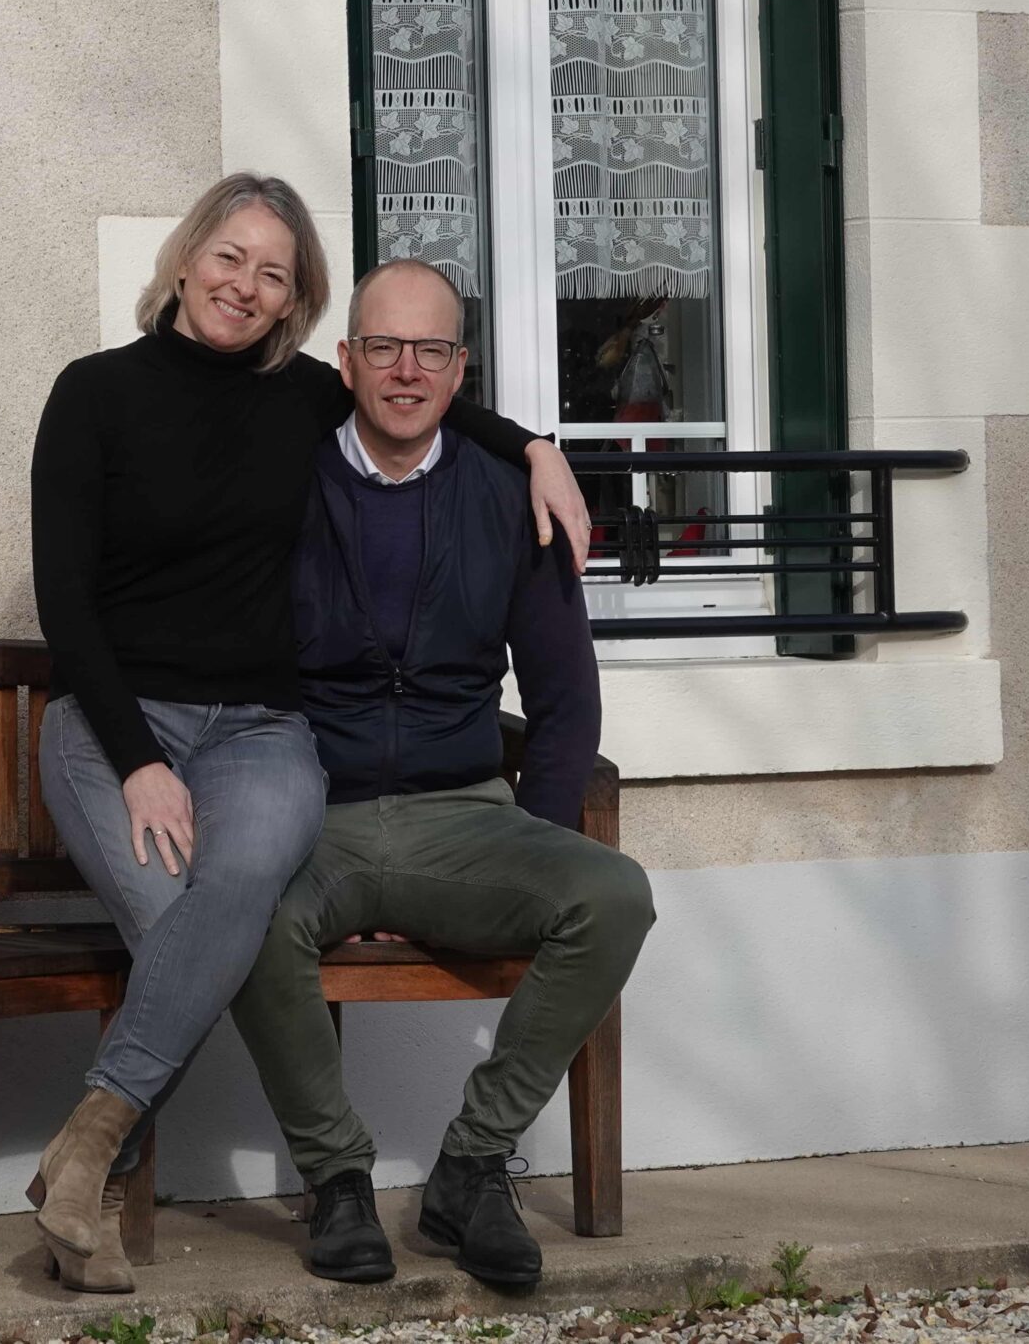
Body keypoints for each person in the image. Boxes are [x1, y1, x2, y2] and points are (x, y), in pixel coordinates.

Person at [25, 176, 593, 1294]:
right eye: (230, 258)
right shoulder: (91, 394)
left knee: (227, 911)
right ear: (186, 260)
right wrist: (138, 759)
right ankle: (96, 1159)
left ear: (295, 308)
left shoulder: (300, 401)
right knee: (203, 928)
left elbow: (420, 394)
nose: (245, 284)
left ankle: (85, 1153)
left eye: (274, 274)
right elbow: (65, 603)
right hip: (109, 727)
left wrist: (536, 446)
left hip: (259, 733)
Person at [229, 258, 657, 1292]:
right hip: (309, 813)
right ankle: (336, 1180)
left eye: (430, 350)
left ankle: (470, 1167)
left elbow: (563, 706)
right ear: (347, 361)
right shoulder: (282, 481)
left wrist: (542, 838)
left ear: (460, 369)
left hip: (460, 818)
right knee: (235, 907)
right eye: (383, 347)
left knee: (611, 894)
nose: (406, 371)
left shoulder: (511, 500)